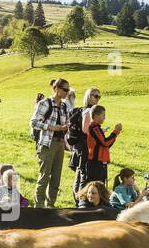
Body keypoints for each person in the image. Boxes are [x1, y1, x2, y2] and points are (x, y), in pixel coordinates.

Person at [29, 79, 71, 207]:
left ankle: (50, 205)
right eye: (65, 89)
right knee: (44, 177)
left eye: (68, 90)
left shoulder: (64, 106)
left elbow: (65, 123)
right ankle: (39, 206)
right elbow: (34, 122)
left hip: (60, 144)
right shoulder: (45, 103)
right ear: (56, 89)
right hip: (47, 143)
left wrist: (66, 126)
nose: (67, 92)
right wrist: (52, 127)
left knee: (56, 178)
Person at [68, 87, 99, 202]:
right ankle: (80, 200)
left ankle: (78, 198)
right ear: (88, 97)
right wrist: (99, 132)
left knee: (80, 172)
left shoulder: (88, 110)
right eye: (95, 96)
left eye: (99, 96)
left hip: (82, 146)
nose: (98, 99)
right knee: (82, 173)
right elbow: (86, 130)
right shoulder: (87, 111)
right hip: (84, 146)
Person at [83, 104, 120, 198]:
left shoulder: (97, 128)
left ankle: (99, 204)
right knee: (95, 186)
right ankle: (88, 204)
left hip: (101, 161)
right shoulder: (94, 127)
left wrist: (115, 135)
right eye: (103, 115)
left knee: (101, 186)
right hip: (95, 162)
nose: (105, 117)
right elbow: (105, 142)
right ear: (96, 116)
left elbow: (107, 145)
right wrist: (115, 132)